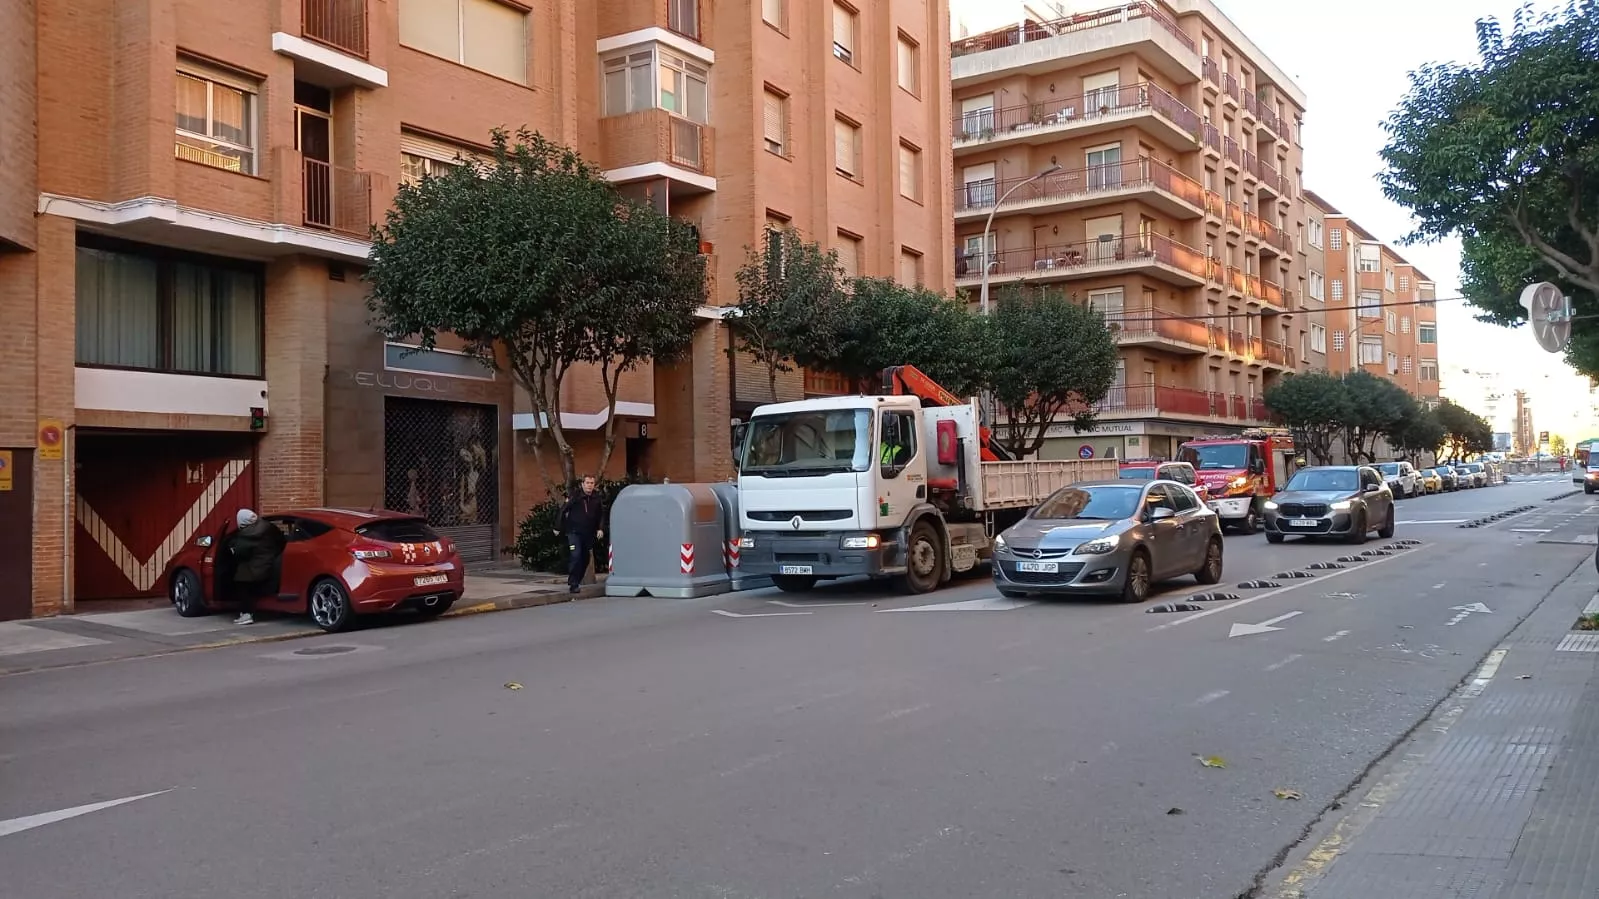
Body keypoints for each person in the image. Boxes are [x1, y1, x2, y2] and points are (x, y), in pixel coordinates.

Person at [229, 509, 286, 626]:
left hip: (256, 569)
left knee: (241, 582)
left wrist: (232, 549)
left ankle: (246, 613)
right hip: (272, 564)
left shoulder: (245, 534)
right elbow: (281, 540)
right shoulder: (269, 527)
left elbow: (239, 553)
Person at [555, 476, 607, 594]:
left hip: (588, 534)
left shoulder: (596, 498)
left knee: (585, 559)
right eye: (587, 483)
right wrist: (557, 527)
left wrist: (600, 528)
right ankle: (573, 583)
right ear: (583, 484)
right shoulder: (575, 496)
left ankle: (577, 580)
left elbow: (601, 514)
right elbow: (563, 509)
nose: (590, 485)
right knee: (576, 555)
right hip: (573, 532)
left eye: (592, 483)